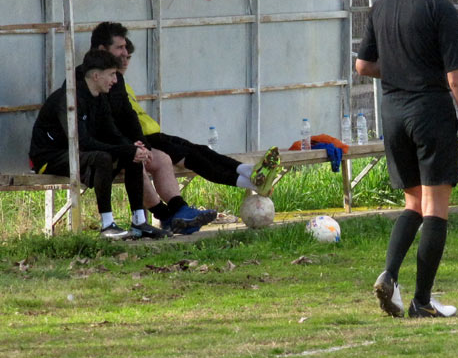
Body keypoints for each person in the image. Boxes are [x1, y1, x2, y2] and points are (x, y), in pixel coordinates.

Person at [358, 0, 458, 319]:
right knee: (436, 209)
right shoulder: (440, 9)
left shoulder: (381, 5)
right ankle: (423, 301)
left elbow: (363, 66)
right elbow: (457, 80)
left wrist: (402, 69)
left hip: (393, 114)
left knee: (412, 203)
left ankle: (389, 275)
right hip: (429, 112)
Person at [117, 37, 278, 229]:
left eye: (128, 55)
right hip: (143, 140)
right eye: (120, 51)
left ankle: (248, 171)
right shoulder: (109, 84)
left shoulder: (122, 83)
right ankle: (249, 182)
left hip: (154, 135)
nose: (125, 59)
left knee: (201, 150)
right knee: (195, 159)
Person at [89, 22, 224, 234]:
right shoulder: (84, 82)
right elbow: (101, 127)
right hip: (100, 150)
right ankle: (166, 216)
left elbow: (129, 116)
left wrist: (141, 143)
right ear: (102, 50)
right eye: (120, 48)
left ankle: (180, 210)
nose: (125, 53)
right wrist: (129, 147)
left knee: (161, 158)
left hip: (122, 143)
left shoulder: (117, 79)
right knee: (136, 161)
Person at [28, 49, 166, 239]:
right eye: (111, 74)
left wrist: (133, 148)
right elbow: (82, 142)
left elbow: (111, 132)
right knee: (102, 158)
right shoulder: (69, 98)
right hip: (49, 157)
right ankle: (107, 225)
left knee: (131, 155)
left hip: (78, 154)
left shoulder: (99, 98)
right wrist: (125, 149)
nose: (115, 81)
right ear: (96, 76)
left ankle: (139, 222)